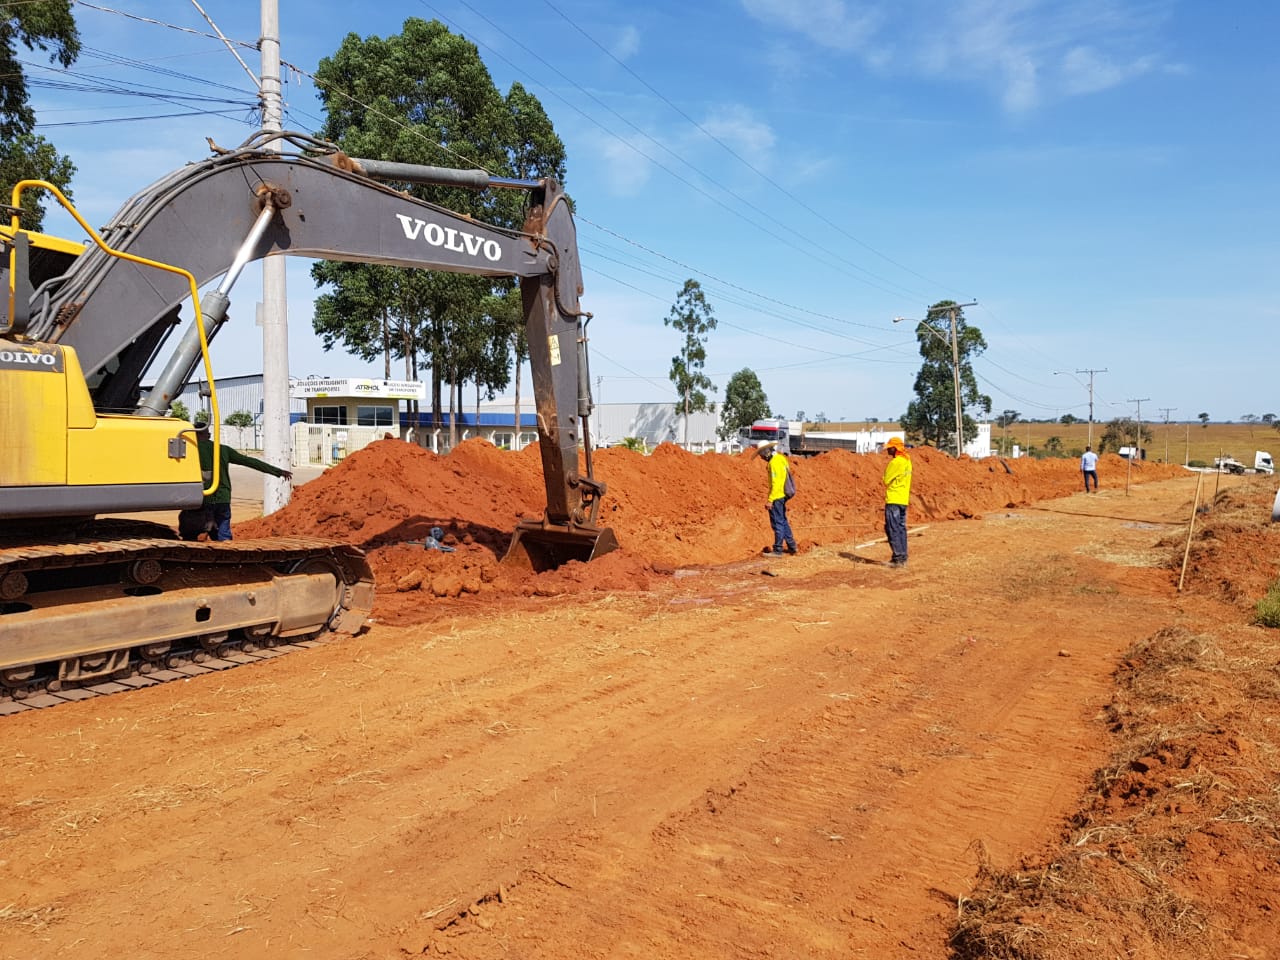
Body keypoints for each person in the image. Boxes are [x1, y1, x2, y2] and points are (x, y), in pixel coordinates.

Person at [178, 421, 293, 542]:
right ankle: (226, 553)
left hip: (202, 499)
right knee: (224, 535)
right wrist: (278, 471)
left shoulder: (191, 450)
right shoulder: (224, 450)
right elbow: (250, 462)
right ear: (208, 435)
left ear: (193, 435)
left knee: (190, 533)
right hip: (223, 499)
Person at [757, 439, 797, 556]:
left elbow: (777, 483)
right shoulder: (781, 458)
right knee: (783, 521)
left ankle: (778, 550)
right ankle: (792, 546)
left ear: (766, 452)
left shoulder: (774, 462)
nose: (760, 457)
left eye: (761, 454)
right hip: (782, 495)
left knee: (777, 522)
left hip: (777, 496)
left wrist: (770, 500)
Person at [882, 436, 912, 568]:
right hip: (903, 499)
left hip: (894, 499)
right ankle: (903, 556)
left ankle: (898, 559)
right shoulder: (907, 461)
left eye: (889, 448)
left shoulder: (896, 462)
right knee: (901, 528)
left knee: (892, 528)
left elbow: (886, 480)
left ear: (895, 448)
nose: (887, 450)